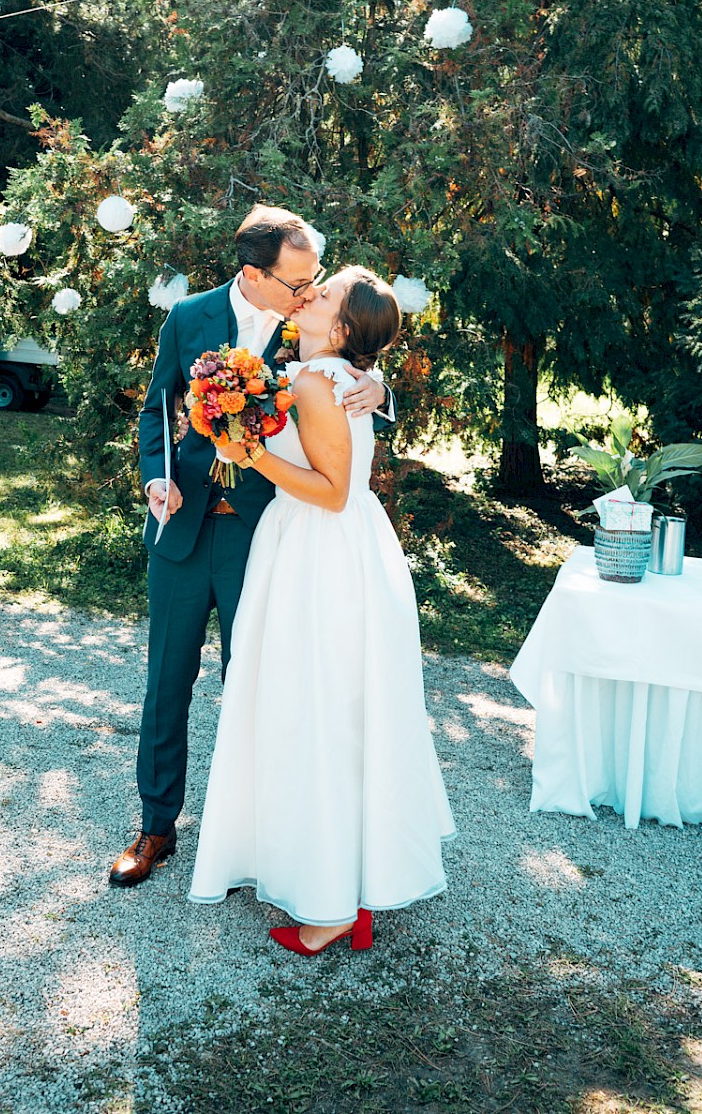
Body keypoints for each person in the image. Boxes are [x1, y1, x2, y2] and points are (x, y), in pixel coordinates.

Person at [108, 208, 394, 888]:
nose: (308, 291)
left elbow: (353, 365)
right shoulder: (189, 318)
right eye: (296, 280)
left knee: (261, 687)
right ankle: (155, 829)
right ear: (252, 273)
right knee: (165, 684)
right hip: (184, 526)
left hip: (265, 536)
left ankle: (253, 838)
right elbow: (158, 409)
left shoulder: (312, 324)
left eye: (313, 280)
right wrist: (157, 476)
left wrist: (381, 391)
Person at [188, 267, 455, 954]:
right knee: (330, 710)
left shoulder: (315, 379)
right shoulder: (318, 373)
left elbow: (332, 491)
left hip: (319, 549)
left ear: (338, 327)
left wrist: (245, 452)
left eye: (326, 292)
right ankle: (334, 874)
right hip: (331, 548)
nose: (311, 293)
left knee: (316, 711)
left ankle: (334, 904)